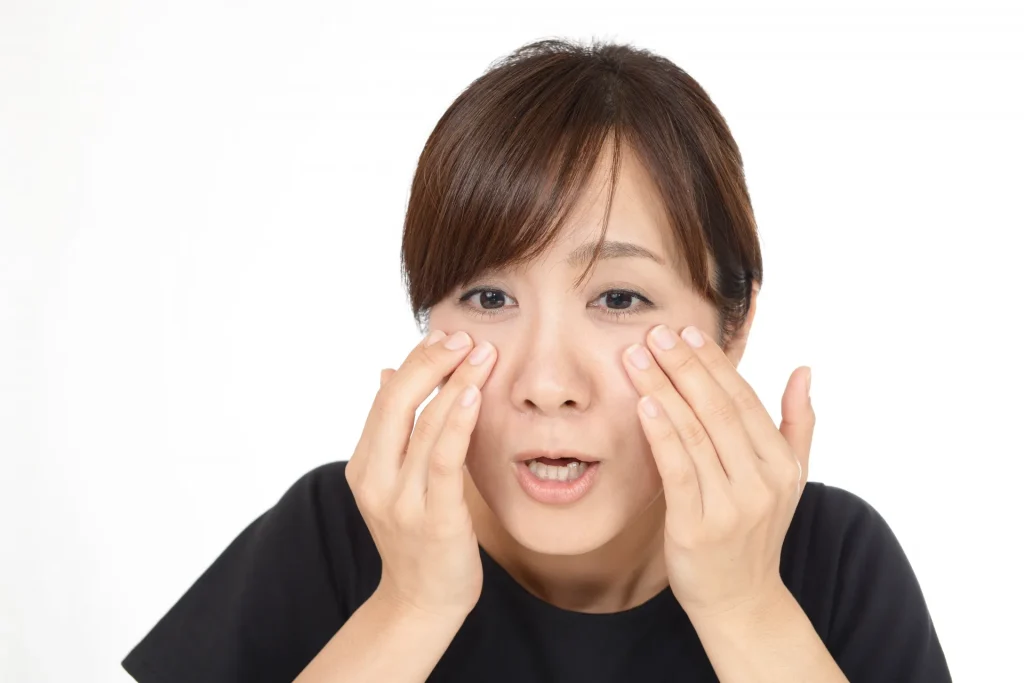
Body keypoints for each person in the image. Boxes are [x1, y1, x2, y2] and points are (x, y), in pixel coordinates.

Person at [122, 38, 951, 683]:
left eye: (619, 298)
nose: (547, 385)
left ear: (733, 330)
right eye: (488, 298)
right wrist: (408, 607)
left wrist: (747, 607)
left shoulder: (831, 558)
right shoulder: (337, 534)